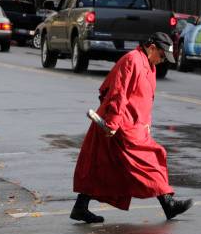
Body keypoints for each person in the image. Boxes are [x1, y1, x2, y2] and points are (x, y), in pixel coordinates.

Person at [71, 32, 193, 224]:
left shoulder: (149, 66)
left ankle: (80, 207)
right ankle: (168, 203)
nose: (162, 61)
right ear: (152, 48)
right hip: (120, 124)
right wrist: (112, 123)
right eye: (162, 56)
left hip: (134, 125)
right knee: (150, 160)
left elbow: (145, 101)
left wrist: (147, 126)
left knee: (102, 166)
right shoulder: (132, 61)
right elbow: (118, 94)